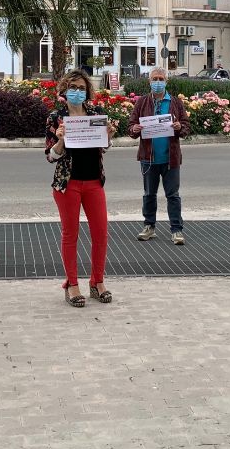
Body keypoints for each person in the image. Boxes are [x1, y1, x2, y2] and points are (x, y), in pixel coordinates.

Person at [45, 70, 118, 307]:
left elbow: (103, 147)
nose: (77, 91)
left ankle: (97, 282)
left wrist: (108, 136)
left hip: (94, 181)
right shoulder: (56, 117)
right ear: (65, 90)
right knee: (70, 234)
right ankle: (72, 284)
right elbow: (51, 156)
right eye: (73, 87)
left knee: (101, 233)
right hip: (68, 183)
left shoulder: (96, 114)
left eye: (81, 88)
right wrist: (60, 140)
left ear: (87, 92)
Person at [127, 66, 191, 244]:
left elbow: (186, 126)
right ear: (149, 81)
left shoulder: (175, 103)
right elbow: (130, 126)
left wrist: (180, 127)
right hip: (148, 158)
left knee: (173, 195)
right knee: (149, 194)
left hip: (170, 158)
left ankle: (177, 230)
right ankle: (149, 227)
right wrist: (134, 128)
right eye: (154, 79)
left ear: (166, 81)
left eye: (160, 79)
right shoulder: (142, 102)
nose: (157, 82)